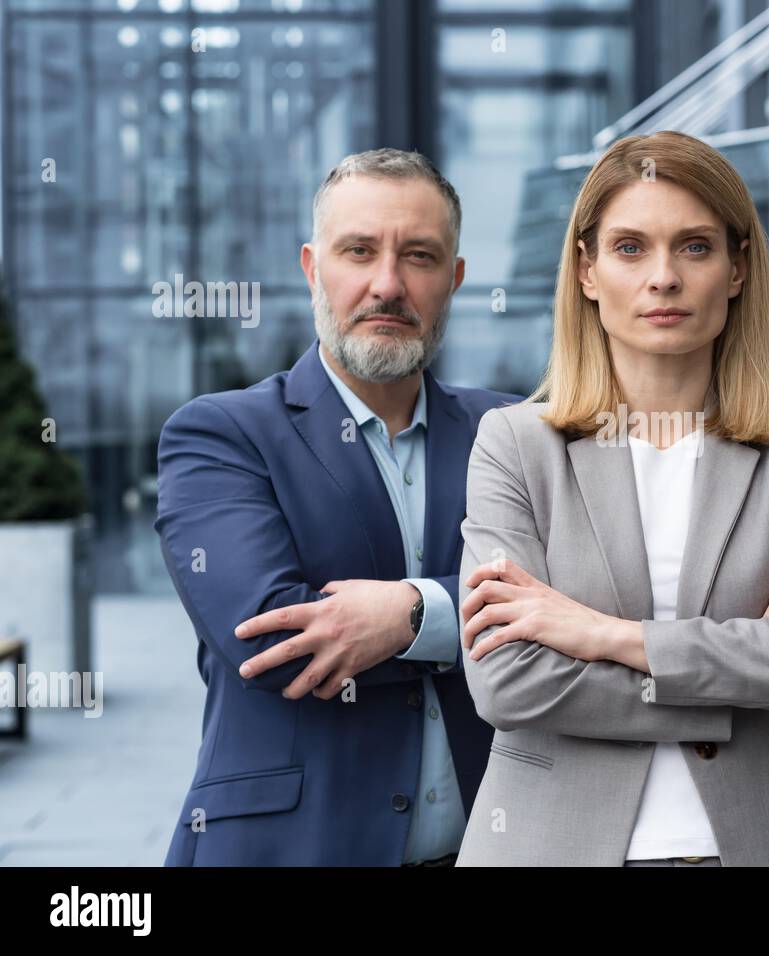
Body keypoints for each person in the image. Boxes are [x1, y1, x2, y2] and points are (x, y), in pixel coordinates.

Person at [453, 130, 769, 866]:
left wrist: (606, 636)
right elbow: (507, 681)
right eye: (630, 248)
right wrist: (754, 658)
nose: (663, 277)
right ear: (587, 269)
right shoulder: (514, 444)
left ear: (737, 269)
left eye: (694, 246)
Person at [156, 149, 515, 866]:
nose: (388, 284)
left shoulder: (511, 433)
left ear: (455, 279)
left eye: (419, 256)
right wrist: (463, 617)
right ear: (313, 267)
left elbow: (577, 600)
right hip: (292, 848)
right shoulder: (221, 433)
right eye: (359, 251)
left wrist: (406, 615)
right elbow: (271, 640)